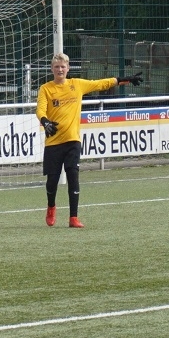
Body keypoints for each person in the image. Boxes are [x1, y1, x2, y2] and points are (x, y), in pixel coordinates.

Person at [36, 53, 141, 228]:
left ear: (68, 68)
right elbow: (40, 110)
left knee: (73, 175)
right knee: (52, 181)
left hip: (73, 141)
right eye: (57, 67)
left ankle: (73, 218)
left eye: (63, 66)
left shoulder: (77, 84)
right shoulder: (45, 89)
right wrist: (45, 121)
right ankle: (51, 206)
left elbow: (100, 83)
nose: (60, 69)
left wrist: (123, 80)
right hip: (53, 142)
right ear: (52, 69)